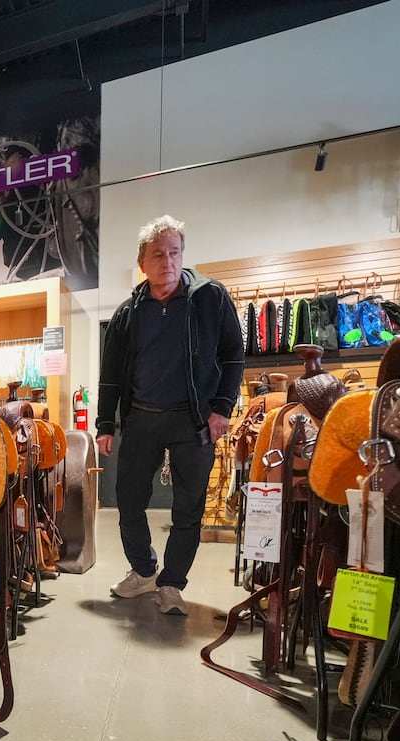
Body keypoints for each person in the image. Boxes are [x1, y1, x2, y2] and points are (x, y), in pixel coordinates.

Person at [95, 215, 243, 615]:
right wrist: (105, 424)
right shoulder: (128, 313)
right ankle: (144, 571)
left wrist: (221, 410)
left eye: (174, 252)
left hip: (192, 419)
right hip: (141, 418)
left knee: (188, 507)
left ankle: (172, 584)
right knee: (128, 500)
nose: (168, 261)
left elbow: (233, 356)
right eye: (158, 254)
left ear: (183, 255)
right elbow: (109, 376)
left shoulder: (210, 298)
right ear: (142, 262)